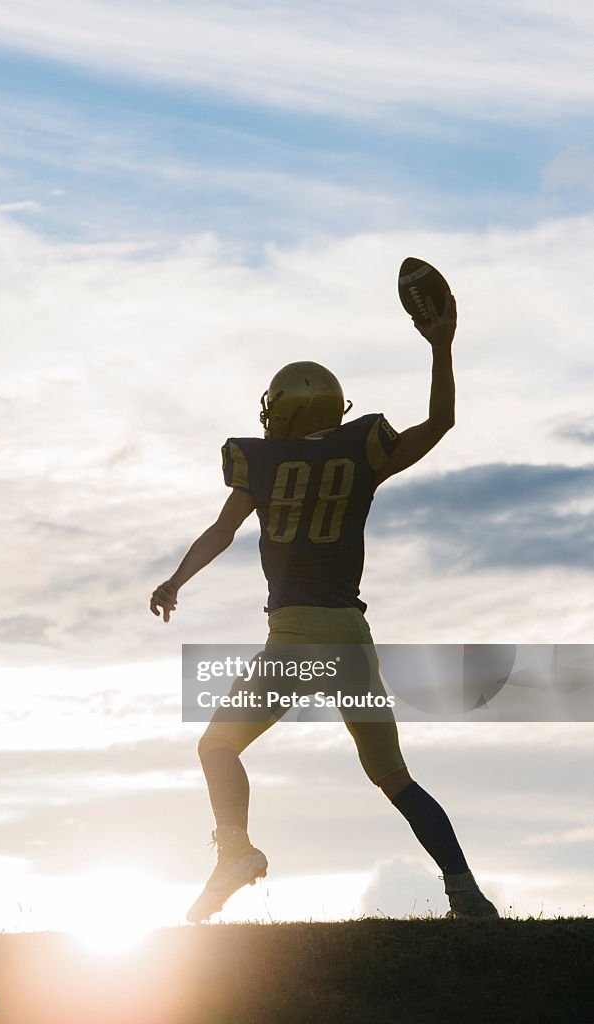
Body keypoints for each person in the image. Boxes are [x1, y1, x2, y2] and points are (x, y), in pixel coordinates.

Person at [150, 293, 499, 923]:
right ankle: (465, 891)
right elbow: (440, 422)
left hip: (293, 638)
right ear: (334, 408)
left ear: (276, 412)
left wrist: (175, 579)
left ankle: (235, 851)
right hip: (349, 638)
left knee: (217, 747)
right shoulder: (359, 452)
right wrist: (441, 345)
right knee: (393, 775)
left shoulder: (260, 463)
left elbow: (222, 531)